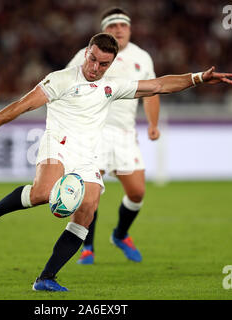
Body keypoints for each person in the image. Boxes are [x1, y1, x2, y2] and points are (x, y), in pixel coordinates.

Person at [0, 33, 232, 291]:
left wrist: (198, 78)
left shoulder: (112, 86)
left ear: (111, 63)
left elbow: (160, 84)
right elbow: (25, 104)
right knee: (42, 193)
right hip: (58, 145)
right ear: (86, 53)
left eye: (104, 64)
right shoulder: (61, 79)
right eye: (93, 59)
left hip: (87, 155)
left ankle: (46, 278)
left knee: (87, 210)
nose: (96, 68)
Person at [67, 7, 160, 264]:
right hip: (93, 133)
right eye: (113, 26)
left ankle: (120, 235)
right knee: (91, 195)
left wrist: (152, 124)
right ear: (103, 31)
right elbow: (66, 86)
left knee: (137, 193)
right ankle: (87, 248)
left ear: (129, 29)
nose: (119, 29)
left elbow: (152, 92)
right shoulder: (85, 55)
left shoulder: (142, 57)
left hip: (125, 134)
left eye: (123, 25)